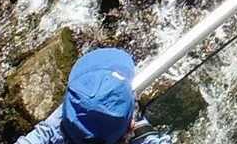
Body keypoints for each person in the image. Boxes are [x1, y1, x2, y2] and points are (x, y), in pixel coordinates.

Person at [15, 45, 150, 142]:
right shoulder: (130, 129)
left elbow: (42, 135)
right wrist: (141, 132)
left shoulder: (56, 131)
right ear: (131, 125)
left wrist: (65, 121)